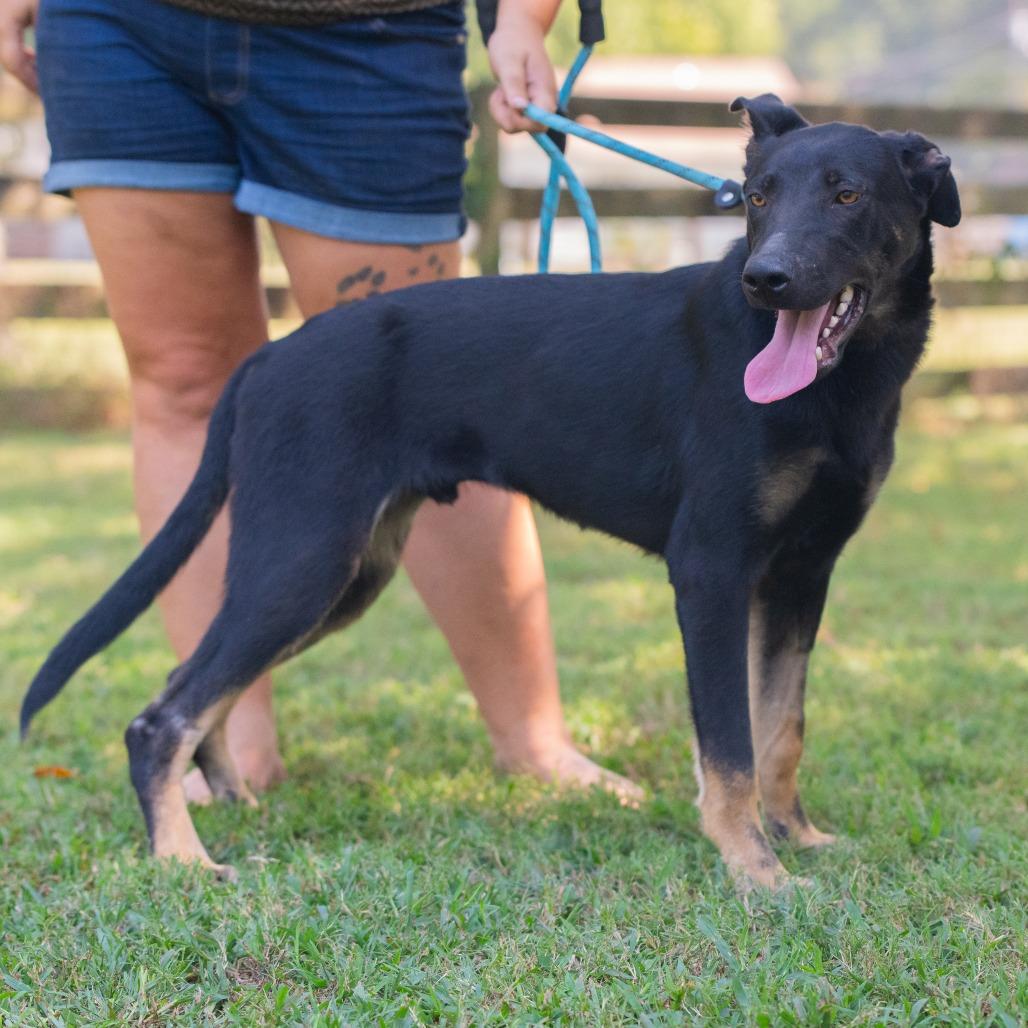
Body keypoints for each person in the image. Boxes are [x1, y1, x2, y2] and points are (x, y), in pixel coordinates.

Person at [1, 0, 641, 803]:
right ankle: (226, 745)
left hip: (364, 32)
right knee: (183, 379)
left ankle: (534, 743)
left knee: (437, 392)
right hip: (115, 26)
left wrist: (520, 15)